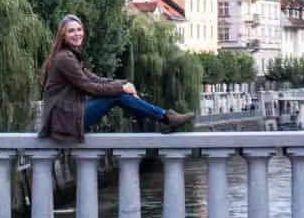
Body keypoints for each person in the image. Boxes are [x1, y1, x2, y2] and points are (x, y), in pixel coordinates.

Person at [38, 14, 194, 142]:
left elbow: (95, 79)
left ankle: (165, 117)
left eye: (79, 29)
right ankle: (165, 118)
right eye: (71, 31)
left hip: (67, 115)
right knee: (118, 96)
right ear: (63, 36)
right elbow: (90, 87)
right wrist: (121, 88)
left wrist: (124, 83)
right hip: (65, 119)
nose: (77, 34)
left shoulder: (70, 56)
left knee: (121, 92)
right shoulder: (64, 59)